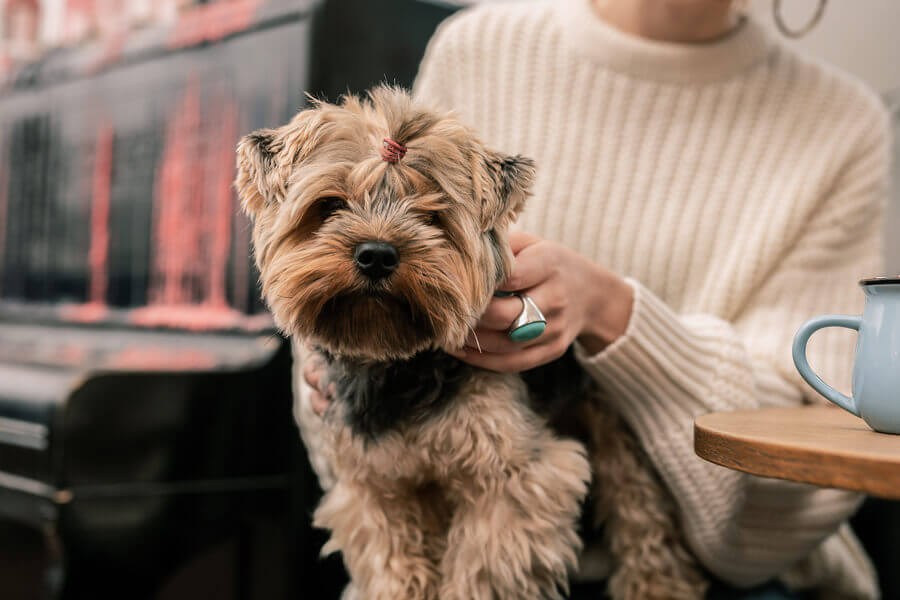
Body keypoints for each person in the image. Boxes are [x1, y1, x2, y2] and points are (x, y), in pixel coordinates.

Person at [297, 0, 890, 597]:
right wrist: (332, 368)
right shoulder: (476, 46)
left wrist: (614, 315)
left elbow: (808, 457)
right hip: (429, 530)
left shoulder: (845, 124)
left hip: (733, 569)